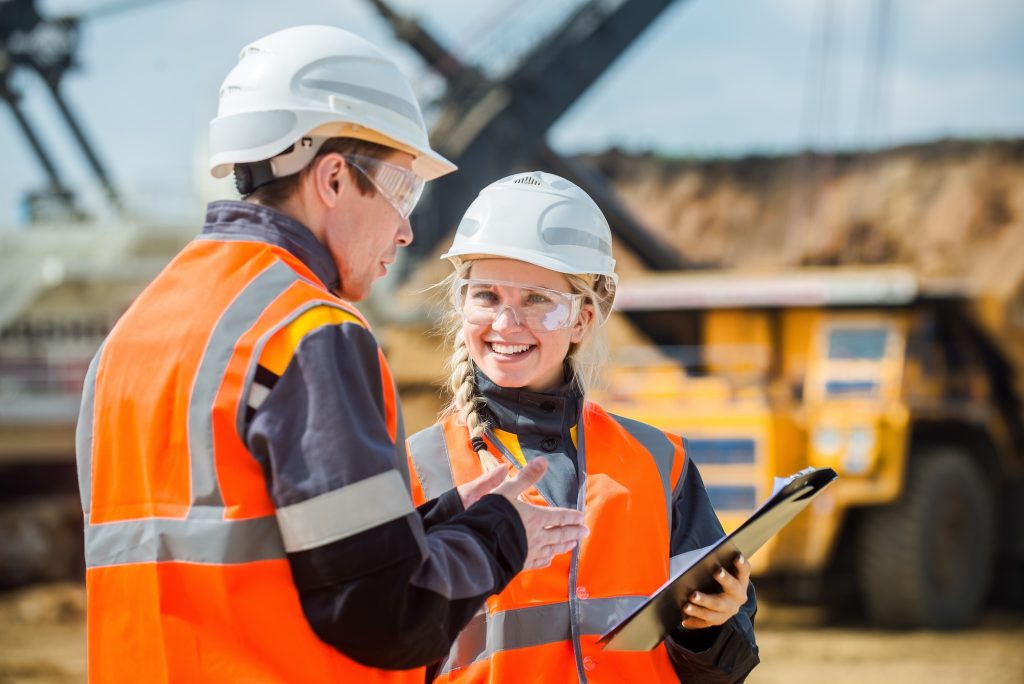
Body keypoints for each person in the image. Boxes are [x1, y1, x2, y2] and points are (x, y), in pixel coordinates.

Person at [74, 26, 587, 682]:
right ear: (335, 178)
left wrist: (441, 519)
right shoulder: (308, 331)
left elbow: (256, 548)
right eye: (404, 191)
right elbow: (385, 613)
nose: (406, 229)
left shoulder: (134, 335)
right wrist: (500, 534)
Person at [406, 171, 760, 682]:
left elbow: (721, 665)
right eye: (486, 295)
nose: (506, 324)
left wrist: (712, 625)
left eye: (536, 299)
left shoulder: (659, 463)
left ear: (583, 320)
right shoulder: (419, 470)